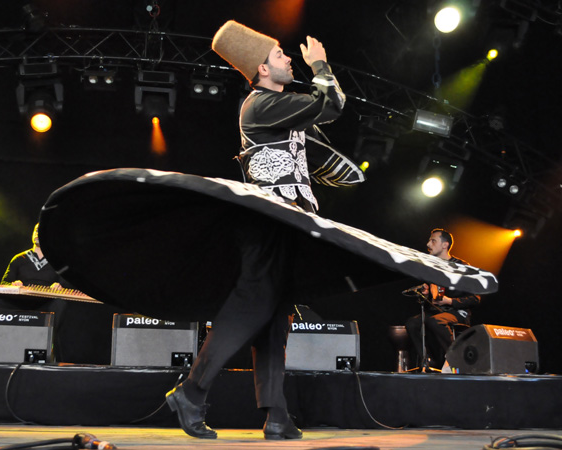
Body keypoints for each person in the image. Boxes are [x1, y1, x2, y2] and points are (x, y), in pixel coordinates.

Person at [165, 20, 364, 440]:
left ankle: (276, 415)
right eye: (279, 56)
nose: (288, 58)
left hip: (286, 217)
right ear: (261, 69)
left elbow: (323, 121)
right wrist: (320, 64)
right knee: (252, 306)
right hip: (270, 217)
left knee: (274, 316)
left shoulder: (280, 105)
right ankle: (192, 391)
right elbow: (333, 103)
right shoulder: (261, 105)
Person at [0, 223, 70, 361]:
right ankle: (4, 345)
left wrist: (59, 285)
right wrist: (14, 284)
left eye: (41, 231)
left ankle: (47, 344)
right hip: (21, 303)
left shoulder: (56, 260)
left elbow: (65, 283)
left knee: (61, 303)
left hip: (46, 304)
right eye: (35, 231)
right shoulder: (19, 258)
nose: (37, 233)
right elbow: (4, 283)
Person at [404, 228, 481, 369]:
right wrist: (426, 293)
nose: (428, 244)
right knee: (412, 323)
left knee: (436, 321)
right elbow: (432, 296)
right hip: (437, 312)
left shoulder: (461, 267)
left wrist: (450, 301)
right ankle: (428, 360)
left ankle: (455, 358)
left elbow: (475, 298)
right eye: (429, 240)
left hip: (458, 312)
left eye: (433, 240)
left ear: (445, 245)